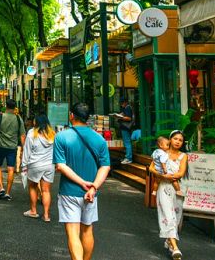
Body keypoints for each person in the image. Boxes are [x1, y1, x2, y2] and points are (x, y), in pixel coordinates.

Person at [54, 103, 111, 260]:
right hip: (91, 193)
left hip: (69, 191)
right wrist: (93, 187)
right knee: (87, 230)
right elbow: (105, 166)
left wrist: (81, 182)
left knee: (73, 232)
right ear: (88, 118)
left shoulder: (61, 137)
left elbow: (60, 166)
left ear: (71, 115)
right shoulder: (99, 139)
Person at [149, 130, 188, 260]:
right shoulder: (161, 153)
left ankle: (169, 242)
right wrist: (161, 175)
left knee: (176, 217)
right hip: (164, 187)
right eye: (175, 138)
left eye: (180, 140)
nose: (177, 141)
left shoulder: (183, 156)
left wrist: (171, 176)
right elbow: (151, 168)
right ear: (170, 139)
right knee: (168, 216)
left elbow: (181, 173)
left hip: (177, 188)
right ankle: (175, 249)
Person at [0, 99, 26, 201]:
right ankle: (8, 192)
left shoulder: (0, 117)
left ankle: (1, 188)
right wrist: (24, 149)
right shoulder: (18, 119)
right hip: (12, 148)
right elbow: (22, 136)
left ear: (6, 106)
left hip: (0, 146)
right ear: (14, 107)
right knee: (11, 169)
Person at [21, 114, 55, 222]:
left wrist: (24, 165)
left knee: (33, 187)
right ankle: (46, 215)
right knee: (46, 190)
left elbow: (27, 150)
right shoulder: (53, 135)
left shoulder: (32, 133)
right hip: (49, 165)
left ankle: (33, 211)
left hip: (35, 165)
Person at [116, 99, 134, 164]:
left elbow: (129, 118)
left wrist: (120, 117)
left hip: (126, 127)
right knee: (127, 142)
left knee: (127, 142)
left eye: (122, 103)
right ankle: (127, 157)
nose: (121, 104)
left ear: (125, 102)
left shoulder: (128, 108)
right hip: (125, 127)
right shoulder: (125, 108)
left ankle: (129, 158)